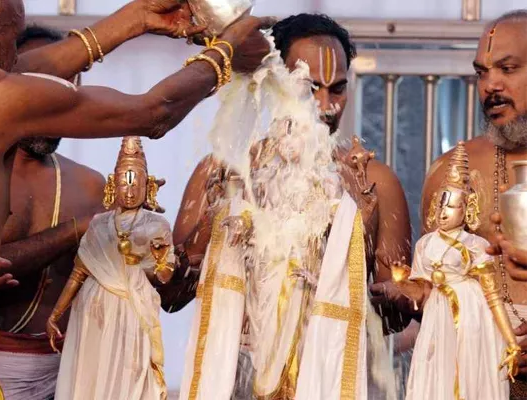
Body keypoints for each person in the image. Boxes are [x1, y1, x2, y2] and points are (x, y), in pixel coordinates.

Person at [0, 0, 272, 397]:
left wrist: (136, 18)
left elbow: (23, 73)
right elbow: (156, 111)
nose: (17, 60)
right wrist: (225, 52)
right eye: (14, 43)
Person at [168, 14, 412, 399]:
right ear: (274, 83)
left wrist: (366, 244)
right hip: (237, 375)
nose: (326, 105)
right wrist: (208, 225)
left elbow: (395, 318)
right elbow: (171, 297)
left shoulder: (373, 181)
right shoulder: (226, 170)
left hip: (330, 373)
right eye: (309, 87)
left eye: (338, 89)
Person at [0, 25, 106, 400]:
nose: (52, 104)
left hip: (67, 370)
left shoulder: (90, 183)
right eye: (41, 87)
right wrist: (79, 228)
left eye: (66, 91)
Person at [420, 10, 527, 398]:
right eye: (482, 72)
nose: (490, 85)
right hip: (479, 374)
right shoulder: (453, 172)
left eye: (507, 68)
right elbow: (432, 296)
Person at [46, 137, 175, 400]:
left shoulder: (157, 226)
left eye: (135, 183)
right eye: (123, 183)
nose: (128, 191)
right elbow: (78, 273)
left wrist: (152, 260)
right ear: (113, 186)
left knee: (131, 376)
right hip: (93, 313)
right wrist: (55, 314)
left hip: (132, 311)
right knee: (90, 378)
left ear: (147, 186)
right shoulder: (98, 224)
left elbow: (163, 276)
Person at [397, 142, 519, 399]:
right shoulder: (425, 245)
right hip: (436, 318)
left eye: (451, 206)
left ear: (467, 209)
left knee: (470, 376)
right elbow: (422, 291)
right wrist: (402, 282)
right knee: (436, 375)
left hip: (473, 317)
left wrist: (510, 342)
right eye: (441, 206)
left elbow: (493, 297)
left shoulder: (475, 245)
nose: (443, 212)